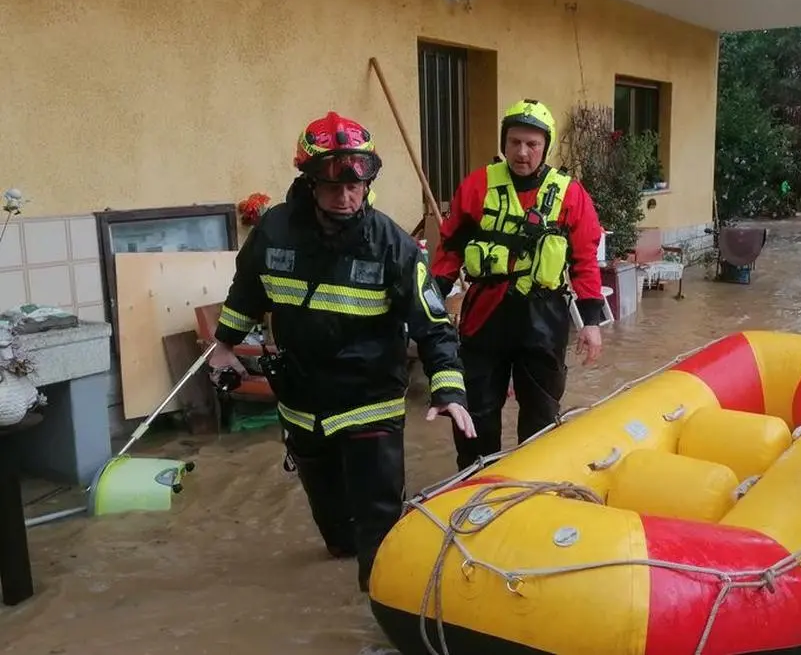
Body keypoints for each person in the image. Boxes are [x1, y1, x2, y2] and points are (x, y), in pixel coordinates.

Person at [207, 111, 476, 591]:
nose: (347, 195)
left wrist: (448, 389)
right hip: (302, 402)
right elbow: (247, 290)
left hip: (371, 401)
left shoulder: (393, 246)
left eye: (357, 183)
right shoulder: (273, 232)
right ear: (309, 181)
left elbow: (435, 326)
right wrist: (223, 347)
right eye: (333, 184)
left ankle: (380, 616)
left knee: (378, 525)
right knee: (334, 530)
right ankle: (343, 556)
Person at [431, 99, 606, 470]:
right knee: (476, 410)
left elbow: (584, 260)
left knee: (541, 413)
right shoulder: (478, 185)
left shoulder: (569, 194)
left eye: (532, 144)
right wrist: (430, 304)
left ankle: (531, 482)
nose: (522, 152)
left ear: (545, 146)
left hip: (542, 317)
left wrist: (590, 322)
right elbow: (449, 248)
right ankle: (475, 482)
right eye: (514, 142)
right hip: (484, 316)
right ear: (504, 143)